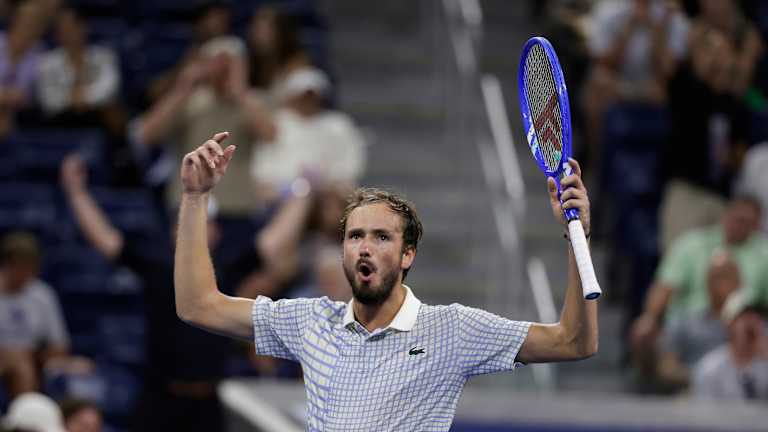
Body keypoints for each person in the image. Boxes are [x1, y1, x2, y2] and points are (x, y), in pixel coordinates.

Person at [174, 132, 598, 430]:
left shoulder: (452, 330)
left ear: (407, 254)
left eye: (381, 237)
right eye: (355, 236)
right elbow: (198, 305)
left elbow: (573, 341)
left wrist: (575, 235)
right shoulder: (310, 322)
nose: (365, 247)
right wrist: (195, 198)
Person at [59, 155, 228, 432]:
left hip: (207, 400)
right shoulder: (158, 264)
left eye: (208, 224)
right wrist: (76, 192)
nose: (201, 229)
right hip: (161, 395)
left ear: (217, 231)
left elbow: (272, 251)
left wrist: (300, 195)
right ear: (176, 228)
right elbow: (106, 240)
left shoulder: (227, 269)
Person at [631, 196, 768, 358]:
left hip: (742, 326)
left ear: (756, 224)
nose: (739, 225)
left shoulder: (763, 252)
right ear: (726, 215)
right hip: (691, 322)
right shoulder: (692, 243)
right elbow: (665, 285)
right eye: (737, 218)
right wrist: (650, 317)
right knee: (663, 334)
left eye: (746, 221)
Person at [0, 232, 91, 398]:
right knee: (17, 362)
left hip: (33, 361)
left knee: (24, 365)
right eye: (20, 266)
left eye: (30, 267)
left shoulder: (42, 295)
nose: (25, 273)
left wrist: (30, 354)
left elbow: (60, 346)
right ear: (7, 264)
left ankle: (26, 413)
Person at [653, 251, 739, 390]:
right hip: (693, 396)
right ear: (707, 282)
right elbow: (666, 368)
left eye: (726, 277)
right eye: (714, 277)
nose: (719, 284)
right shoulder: (684, 325)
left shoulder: (754, 329)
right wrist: (706, 376)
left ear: (739, 282)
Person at [691, 292, 768, 400]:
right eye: (745, 316)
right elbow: (705, 409)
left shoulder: (765, 361)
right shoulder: (710, 368)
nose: (752, 322)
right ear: (728, 323)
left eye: (758, 316)